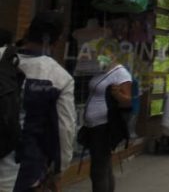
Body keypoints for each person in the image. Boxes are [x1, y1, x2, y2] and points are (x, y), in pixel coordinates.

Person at [0, 12, 76, 192]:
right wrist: (59, 169)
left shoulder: (3, 56)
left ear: (27, 31)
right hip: (22, 170)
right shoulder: (58, 76)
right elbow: (65, 130)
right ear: (57, 41)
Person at [82, 43, 133, 192]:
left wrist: (117, 94)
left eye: (104, 54)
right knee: (105, 166)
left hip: (104, 126)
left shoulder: (121, 73)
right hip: (93, 126)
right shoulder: (101, 71)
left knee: (98, 170)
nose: (99, 58)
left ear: (113, 55)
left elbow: (128, 100)